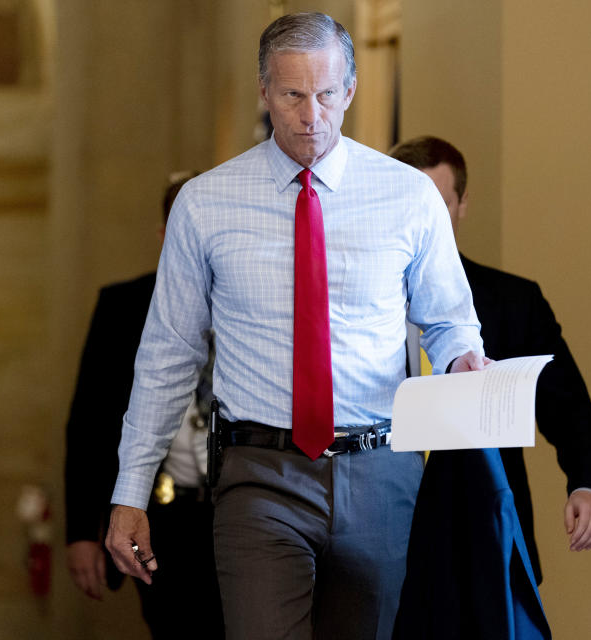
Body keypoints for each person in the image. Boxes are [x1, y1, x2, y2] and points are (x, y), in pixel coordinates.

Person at [105, 13, 487, 640]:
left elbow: (448, 322)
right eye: (293, 95)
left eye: (327, 93)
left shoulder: (407, 197)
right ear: (264, 92)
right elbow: (167, 356)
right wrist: (130, 491)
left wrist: (461, 360)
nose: (313, 114)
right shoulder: (205, 204)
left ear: (352, 89)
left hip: (380, 471)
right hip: (260, 474)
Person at [389, 135, 591, 584]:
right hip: (378, 525)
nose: (423, 221)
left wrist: (587, 485)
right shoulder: (351, 304)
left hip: (483, 529)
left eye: (438, 205)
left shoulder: (514, 302)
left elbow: (566, 405)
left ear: (462, 205)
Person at [64, 171, 223, 639]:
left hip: (240, 511)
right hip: (162, 515)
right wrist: (81, 531)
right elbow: (89, 424)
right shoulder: (121, 306)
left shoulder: (255, 305)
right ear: (163, 237)